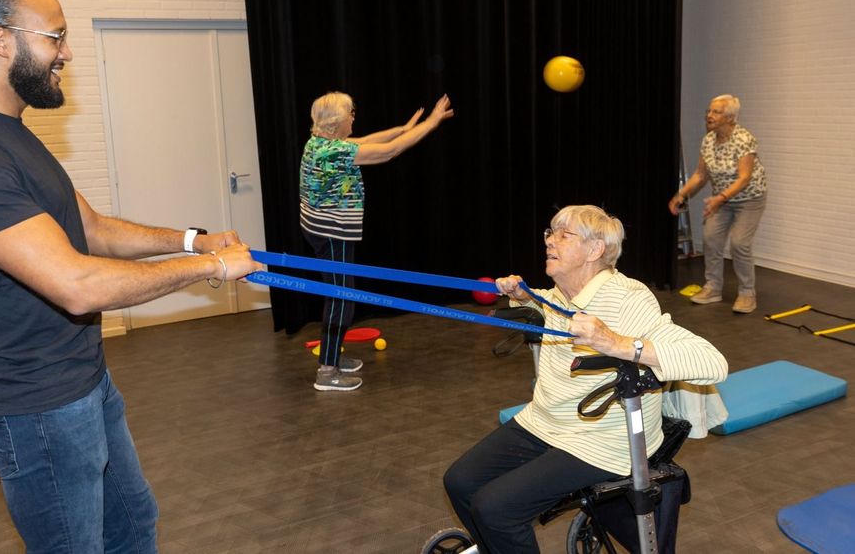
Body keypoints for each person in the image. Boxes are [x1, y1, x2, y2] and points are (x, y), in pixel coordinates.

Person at [0, 0, 262, 553]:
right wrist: (213, 271)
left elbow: (89, 229)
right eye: (55, 36)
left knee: (132, 524)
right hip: (32, 405)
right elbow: (76, 284)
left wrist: (194, 241)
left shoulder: (9, 131)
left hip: (80, 378)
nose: (66, 52)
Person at [443, 205, 727, 553]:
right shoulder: (561, 296)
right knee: (459, 481)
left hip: (602, 439)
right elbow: (548, 305)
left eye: (564, 234)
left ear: (595, 250)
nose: (550, 241)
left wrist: (616, 342)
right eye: (550, 232)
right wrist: (522, 294)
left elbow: (712, 362)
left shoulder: (629, 298)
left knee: (496, 508)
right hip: (547, 421)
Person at [299, 92, 454, 391]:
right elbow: (388, 152)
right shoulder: (331, 151)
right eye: (351, 113)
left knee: (341, 295)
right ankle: (327, 372)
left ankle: (332, 356)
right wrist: (432, 122)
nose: (354, 117)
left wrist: (405, 128)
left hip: (323, 229)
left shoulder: (321, 142)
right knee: (341, 298)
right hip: (332, 233)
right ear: (336, 121)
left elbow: (371, 140)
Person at [669, 94, 767, 314]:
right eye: (709, 111)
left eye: (716, 112)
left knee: (740, 243)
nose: (709, 116)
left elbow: (744, 178)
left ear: (731, 117)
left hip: (749, 199)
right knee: (711, 239)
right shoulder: (708, 140)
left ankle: (747, 293)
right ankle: (713, 288)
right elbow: (700, 174)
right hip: (721, 200)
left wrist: (719, 198)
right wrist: (680, 195)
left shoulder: (744, 139)